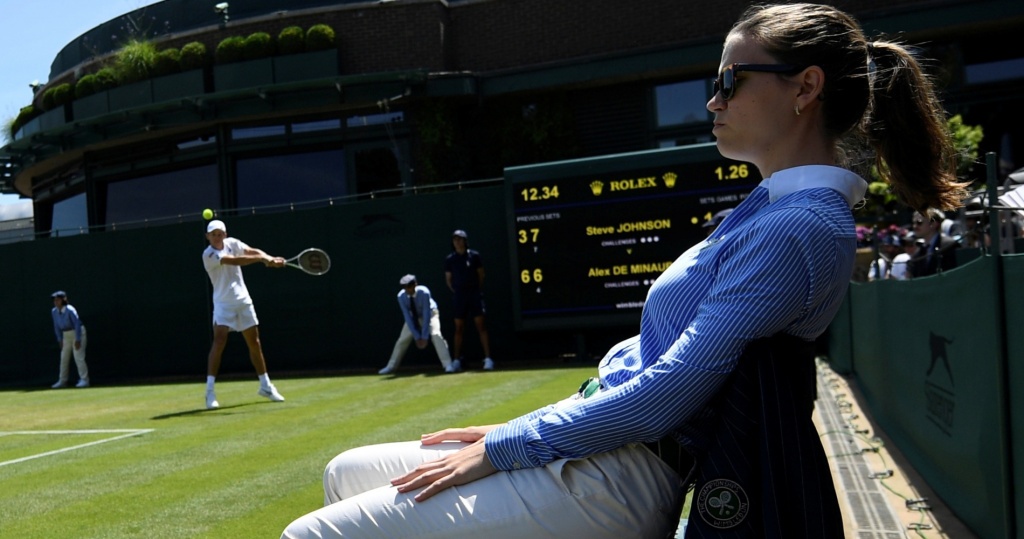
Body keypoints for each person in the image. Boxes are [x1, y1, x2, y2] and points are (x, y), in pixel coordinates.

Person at [281, 4, 968, 538]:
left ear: (805, 88)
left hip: (625, 472)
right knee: (347, 472)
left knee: (308, 532)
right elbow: (638, 370)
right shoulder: (775, 208)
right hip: (606, 446)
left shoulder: (801, 224)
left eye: (730, 80)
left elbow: (666, 391)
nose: (713, 100)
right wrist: (505, 434)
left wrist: (506, 445)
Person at [202, 219, 287, 409]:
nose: (216, 237)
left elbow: (251, 251)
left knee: (254, 343)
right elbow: (236, 261)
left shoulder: (233, 243)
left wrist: (269, 258)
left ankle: (266, 386)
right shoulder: (208, 255)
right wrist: (263, 260)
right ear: (208, 236)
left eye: (219, 233)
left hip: (243, 302)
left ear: (225, 234)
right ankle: (209, 393)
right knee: (219, 341)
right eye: (213, 234)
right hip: (223, 304)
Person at [378, 274, 458, 375]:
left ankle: (448, 365)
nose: (406, 289)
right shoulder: (400, 296)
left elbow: (426, 313)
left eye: (408, 286)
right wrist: (417, 336)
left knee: (436, 335)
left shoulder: (424, 292)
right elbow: (407, 316)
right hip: (413, 318)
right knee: (402, 339)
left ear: (415, 285)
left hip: (431, 314)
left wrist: (424, 337)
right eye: (404, 287)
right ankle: (390, 367)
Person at [442, 229, 493, 371]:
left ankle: (488, 359)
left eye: (460, 239)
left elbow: (481, 275)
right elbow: (448, 280)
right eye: (455, 239)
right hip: (459, 296)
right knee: (458, 328)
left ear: (465, 241)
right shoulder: (450, 259)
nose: (457, 242)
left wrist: (474, 289)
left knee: (481, 326)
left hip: (475, 294)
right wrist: (458, 291)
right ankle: (456, 360)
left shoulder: (475, 256)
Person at [50, 290, 90, 388]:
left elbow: (76, 324)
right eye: (54, 300)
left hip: (78, 332)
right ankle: (62, 381)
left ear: (63, 300)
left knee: (78, 357)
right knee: (64, 358)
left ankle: (85, 380)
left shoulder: (70, 309)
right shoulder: (54, 311)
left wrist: (78, 339)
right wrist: (59, 339)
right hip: (65, 335)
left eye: (58, 300)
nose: (56, 302)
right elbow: (56, 326)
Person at [909, 209, 959, 276]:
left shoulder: (949, 245)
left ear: (934, 223)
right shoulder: (918, 253)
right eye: (913, 223)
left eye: (919, 222)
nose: (915, 226)